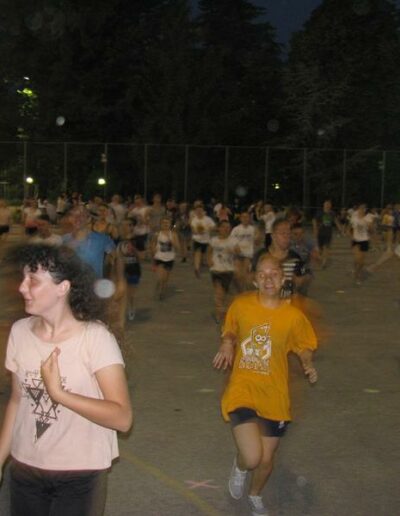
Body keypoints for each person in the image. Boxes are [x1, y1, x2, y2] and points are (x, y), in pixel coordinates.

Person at [0, 244, 132, 516]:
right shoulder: (19, 332)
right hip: (25, 467)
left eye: (33, 280)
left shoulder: (95, 339)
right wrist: (0, 458)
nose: (22, 287)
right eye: (23, 278)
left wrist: (59, 394)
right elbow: (16, 401)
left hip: (80, 474)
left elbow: (122, 418)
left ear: (63, 288)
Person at [213, 255, 317, 516]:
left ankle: (255, 495)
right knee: (252, 457)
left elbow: (304, 345)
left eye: (274, 274)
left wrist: (307, 363)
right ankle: (239, 467)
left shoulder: (293, 316)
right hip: (243, 388)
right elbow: (230, 328)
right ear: (255, 280)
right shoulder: (241, 305)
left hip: (275, 396)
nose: (268, 278)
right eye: (262, 274)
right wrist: (227, 342)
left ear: (282, 279)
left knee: (266, 460)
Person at [253, 219, 309, 299]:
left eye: (289, 233)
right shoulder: (260, 256)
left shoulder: (295, 258)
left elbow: (301, 287)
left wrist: (301, 281)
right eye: (283, 233)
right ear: (273, 236)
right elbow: (251, 282)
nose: (287, 237)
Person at [62, 207, 116, 278]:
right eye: (73, 215)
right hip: (71, 282)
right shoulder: (64, 239)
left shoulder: (102, 239)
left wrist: (115, 277)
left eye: (82, 215)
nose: (77, 218)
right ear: (70, 218)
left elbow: (117, 257)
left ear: (88, 219)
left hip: (94, 283)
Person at [208, 220, 236, 323]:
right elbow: (209, 251)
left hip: (229, 270)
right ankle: (219, 315)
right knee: (219, 294)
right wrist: (209, 260)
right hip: (216, 270)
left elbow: (238, 251)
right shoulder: (214, 240)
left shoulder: (233, 241)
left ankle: (226, 313)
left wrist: (233, 251)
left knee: (227, 295)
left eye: (228, 227)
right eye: (224, 227)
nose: (226, 229)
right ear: (219, 228)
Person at [117, 219, 141, 321]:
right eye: (124, 225)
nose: (127, 227)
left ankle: (131, 307)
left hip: (133, 269)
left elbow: (141, 256)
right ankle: (120, 312)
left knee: (130, 293)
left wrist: (133, 250)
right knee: (121, 292)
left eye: (129, 225)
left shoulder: (137, 239)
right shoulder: (117, 238)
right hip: (120, 269)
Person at [150, 217, 180, 300]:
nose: (165, 224)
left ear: (170, 224)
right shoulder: (157, 234)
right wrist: (153, 251)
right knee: (161, 277)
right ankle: (159, 288)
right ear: (160, 224)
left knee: (166, 279)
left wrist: (172, 242)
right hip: (159, 258)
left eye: (167, 223)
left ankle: (162, 291)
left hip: (170, 258)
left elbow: (178, 247)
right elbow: (152, 244)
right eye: (163, 223)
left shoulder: (173, 235)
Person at [231, 211, 260, 292]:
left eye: (247, 217)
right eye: (243, 217)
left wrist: (258, 235)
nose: (245, 219)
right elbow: (231, 240)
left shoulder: (253, 229)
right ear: (240, 218)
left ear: (249, 218)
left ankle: (244, 291)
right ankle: (240, 289)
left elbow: (257, 242)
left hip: (248, 255)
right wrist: (235, 246)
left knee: (245, 273)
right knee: (237, 274)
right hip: (238, 254)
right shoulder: (236, 229)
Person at [312, 200, 341, 268]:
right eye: (326, 204)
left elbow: (336, 221)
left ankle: (324, 262)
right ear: (324, 205)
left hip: (328, 234)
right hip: (320, 233)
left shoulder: (332, 213)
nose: (327, 206)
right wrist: (315, 228)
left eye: (329, 204)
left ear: (331, 206)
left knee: (326, 248)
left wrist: (340, 228)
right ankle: (320, 258)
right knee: (320, 249)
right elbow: (314, 220)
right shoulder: (320, 213)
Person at [349, 203, 374, 284]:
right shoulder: (354, 217)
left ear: (365, 210)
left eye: (363, 209)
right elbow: (350, 228)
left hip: (364, 240)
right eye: (360, 208)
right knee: (358, 258)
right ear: (358, 209)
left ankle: (357, 271)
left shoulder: (368, 218)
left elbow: (371, 231)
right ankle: (357, 275)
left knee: (362, 262)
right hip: (356, 240)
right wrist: (351, 236)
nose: (361, 210)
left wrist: (370, 226)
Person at [190, 204, 216, 278]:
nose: (199, 212)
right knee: (197, 254)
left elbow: (214, 226)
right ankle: (197, 269)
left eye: (200, 210)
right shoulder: (194, 220)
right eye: (197, 210)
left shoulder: (208, 219)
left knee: (208, 256)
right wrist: (198, 231)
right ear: (195, 211)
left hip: (206, 240)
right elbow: (193, 230)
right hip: (197, 240)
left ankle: (213, 269)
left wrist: (208, 229)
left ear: (203, 211)